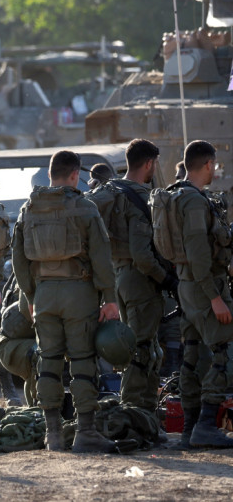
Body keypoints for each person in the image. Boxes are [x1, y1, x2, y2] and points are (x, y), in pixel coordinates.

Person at [12, 150, 119, 453]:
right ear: (75, 175)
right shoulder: (85, 208)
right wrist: (109, 298)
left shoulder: (28, 209)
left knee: (48, 362)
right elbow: (101, 257)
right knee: (83, 361)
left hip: (44, 295)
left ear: (49, 174)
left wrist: (30, 296)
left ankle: (53, 434)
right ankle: (85, 432)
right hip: (79, 294)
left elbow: (18, 260)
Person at [101, 140, 173, 416]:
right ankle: (134, 414)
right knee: (141, 350)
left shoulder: (113, 191)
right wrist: (167, 279)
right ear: (149, 164)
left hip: (119, 275)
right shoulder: (142, 197)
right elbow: (143, 255)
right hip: (140, 280)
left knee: (142, 347)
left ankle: (144, 413)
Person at [170, 140, 233, 448]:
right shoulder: (194, 202)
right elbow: (197, 253)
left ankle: (190, 430)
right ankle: (206, 424)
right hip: (204, 287)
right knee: (223, 353)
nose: (215, 171)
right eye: (214, 165)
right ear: (207, 164)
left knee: (192, 357)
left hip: (188, 287)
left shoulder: (178, 196)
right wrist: (215, 297)